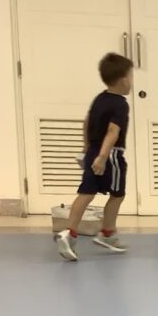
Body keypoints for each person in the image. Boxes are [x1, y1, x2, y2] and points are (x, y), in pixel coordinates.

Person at [54, 53, 133, 262]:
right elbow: (113, 131)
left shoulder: (99, 98)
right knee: (117, 194)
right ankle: (107, 233)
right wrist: (103, 157)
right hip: (111, 155)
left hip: (92, 151)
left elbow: (86, 122)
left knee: (86, 192)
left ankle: (69, 233)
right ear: (124, 80)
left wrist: (88, 149)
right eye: (131, 76)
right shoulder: (120, 104)